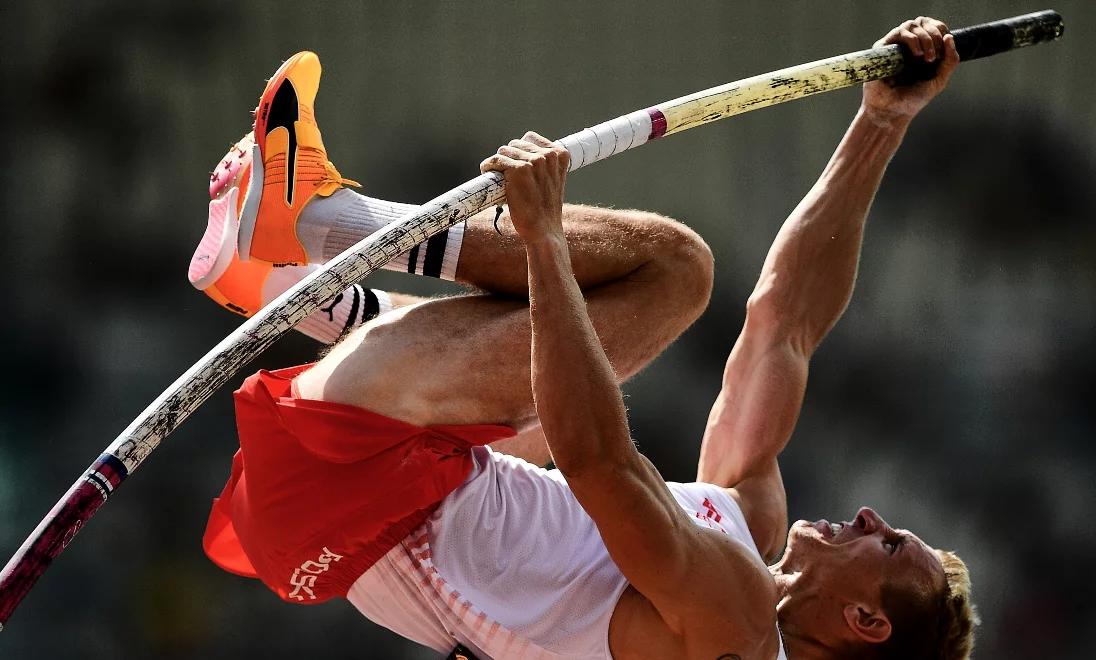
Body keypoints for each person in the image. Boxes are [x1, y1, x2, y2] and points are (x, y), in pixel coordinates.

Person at [194, 16, 979, 660]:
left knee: (677, 271)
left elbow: (597, 460)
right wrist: (881, 122)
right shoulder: (749, 535)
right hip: (369, 498)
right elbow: (787, 324)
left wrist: (545, 241)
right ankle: (273, 283)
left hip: (367, 490)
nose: (873, 515)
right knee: (539, 403)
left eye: (888, 546)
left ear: (866, 624)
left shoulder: (733, 626)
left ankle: (308, 222)